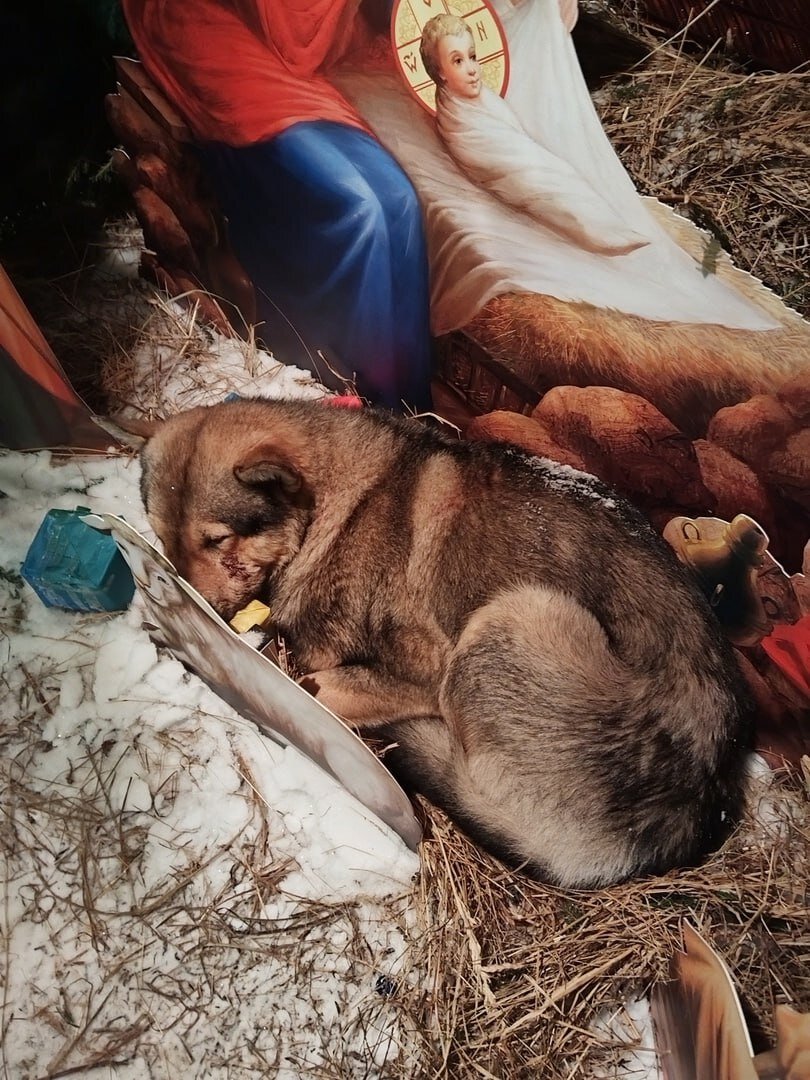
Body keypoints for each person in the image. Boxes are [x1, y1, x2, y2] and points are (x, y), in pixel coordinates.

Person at [121, 0, 434, 413]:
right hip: (211, 37)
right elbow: (293, 33)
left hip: (283, 65)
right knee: (358, 210)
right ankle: (362, 396)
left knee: (400, 202)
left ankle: (406, 405)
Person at [419, 12, 650, 256]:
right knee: (538, 176)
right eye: (457, 61)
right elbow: (497, 156)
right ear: (440, 72)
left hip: (508, 148)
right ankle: (594, 231)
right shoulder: (457, 117)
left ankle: (605, 225)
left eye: (473, 57)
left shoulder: (480, 97)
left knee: (557, 170)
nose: (472, 69)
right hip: (491, 156)